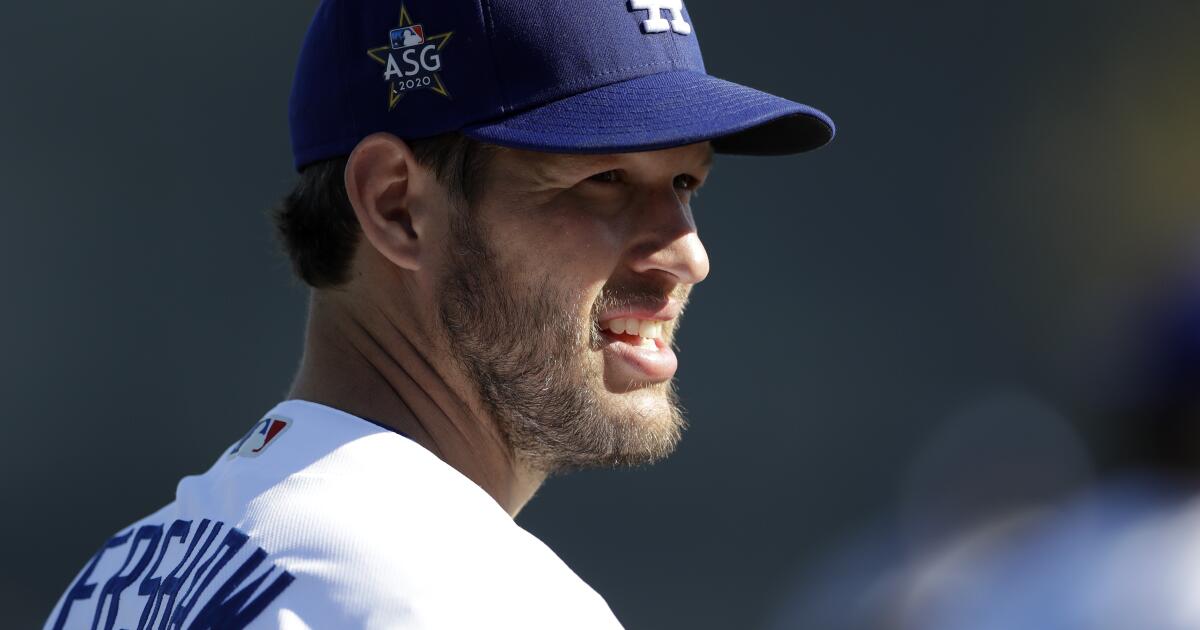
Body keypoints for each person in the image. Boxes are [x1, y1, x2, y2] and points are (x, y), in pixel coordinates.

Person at [43, 0, 834, 627]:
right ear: (396, 206)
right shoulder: (466, 598)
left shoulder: (119, 580)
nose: (687, 255)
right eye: (605, 180)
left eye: (685, 185)